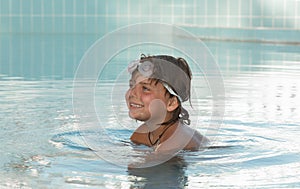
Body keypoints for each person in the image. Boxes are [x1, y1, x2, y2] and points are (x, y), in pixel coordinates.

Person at [125, 54, 208, 153]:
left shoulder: (174, 141)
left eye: (145, 88)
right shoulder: (142, 134)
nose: (132, 93)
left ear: (171, 103)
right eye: (132, 85)